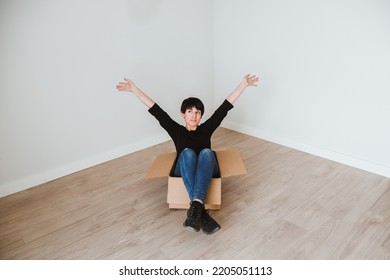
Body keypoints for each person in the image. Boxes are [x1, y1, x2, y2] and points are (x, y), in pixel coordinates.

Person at [116, 74, 259, 234]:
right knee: (188, 153)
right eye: (190, 111)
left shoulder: (206, 128)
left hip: (206, 169)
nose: (194, 115)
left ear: (201, 116)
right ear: (183, 114)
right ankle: (202, 211)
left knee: (207, 153)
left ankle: (197, 210)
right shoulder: (176, 130)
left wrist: (243, 84)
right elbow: (155, 109)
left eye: (198, 112)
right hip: (183, 168)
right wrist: (134, 89)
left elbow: (225, 107)